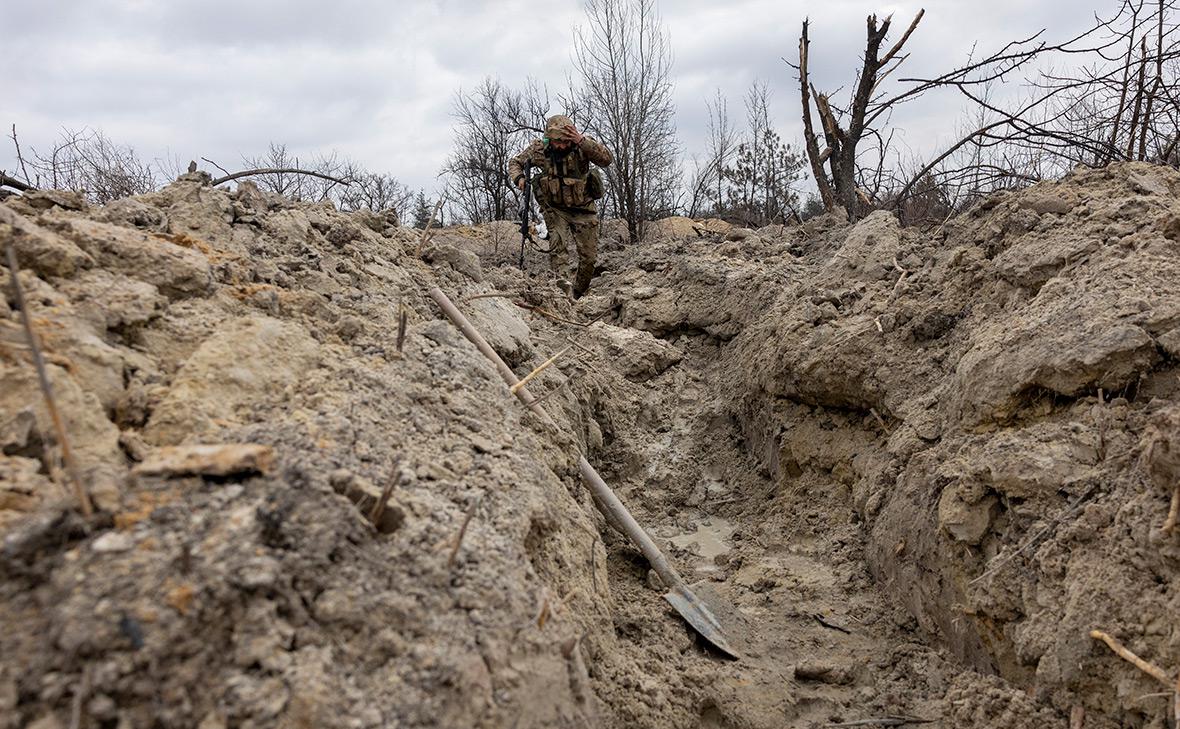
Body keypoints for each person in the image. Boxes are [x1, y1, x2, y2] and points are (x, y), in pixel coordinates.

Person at [508, 115, 612, 297]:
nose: (562, 146)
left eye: (566, 141)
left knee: (589, 258)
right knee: (559, 251)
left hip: (584, 208)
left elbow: (606, 159)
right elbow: (515, 162)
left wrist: (581, 141)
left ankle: (578, 293)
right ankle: (564, 296)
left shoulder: (583, 146)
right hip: (555, 209)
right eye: (557, 142)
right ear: (549, 139)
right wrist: (519, 178)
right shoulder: (539, 149)